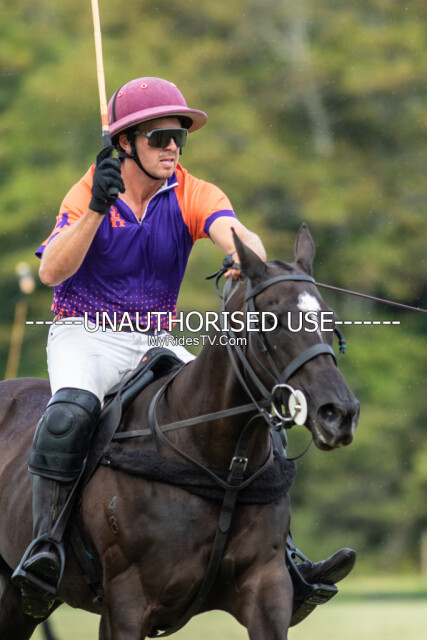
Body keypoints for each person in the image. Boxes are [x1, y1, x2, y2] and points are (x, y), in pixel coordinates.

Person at [12, 77, 355, 620]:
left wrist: (243, 256)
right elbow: (52, 271)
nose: (173, 147)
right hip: (86, 332)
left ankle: (284, 556)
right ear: (125, 143)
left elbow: (236, 231)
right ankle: (46, 548)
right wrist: (97, 209)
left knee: (247, 408)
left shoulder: (191, 191)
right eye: (160, 137)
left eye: (180, 137)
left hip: (155, 338)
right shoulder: (87, 191)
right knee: (68, 415)